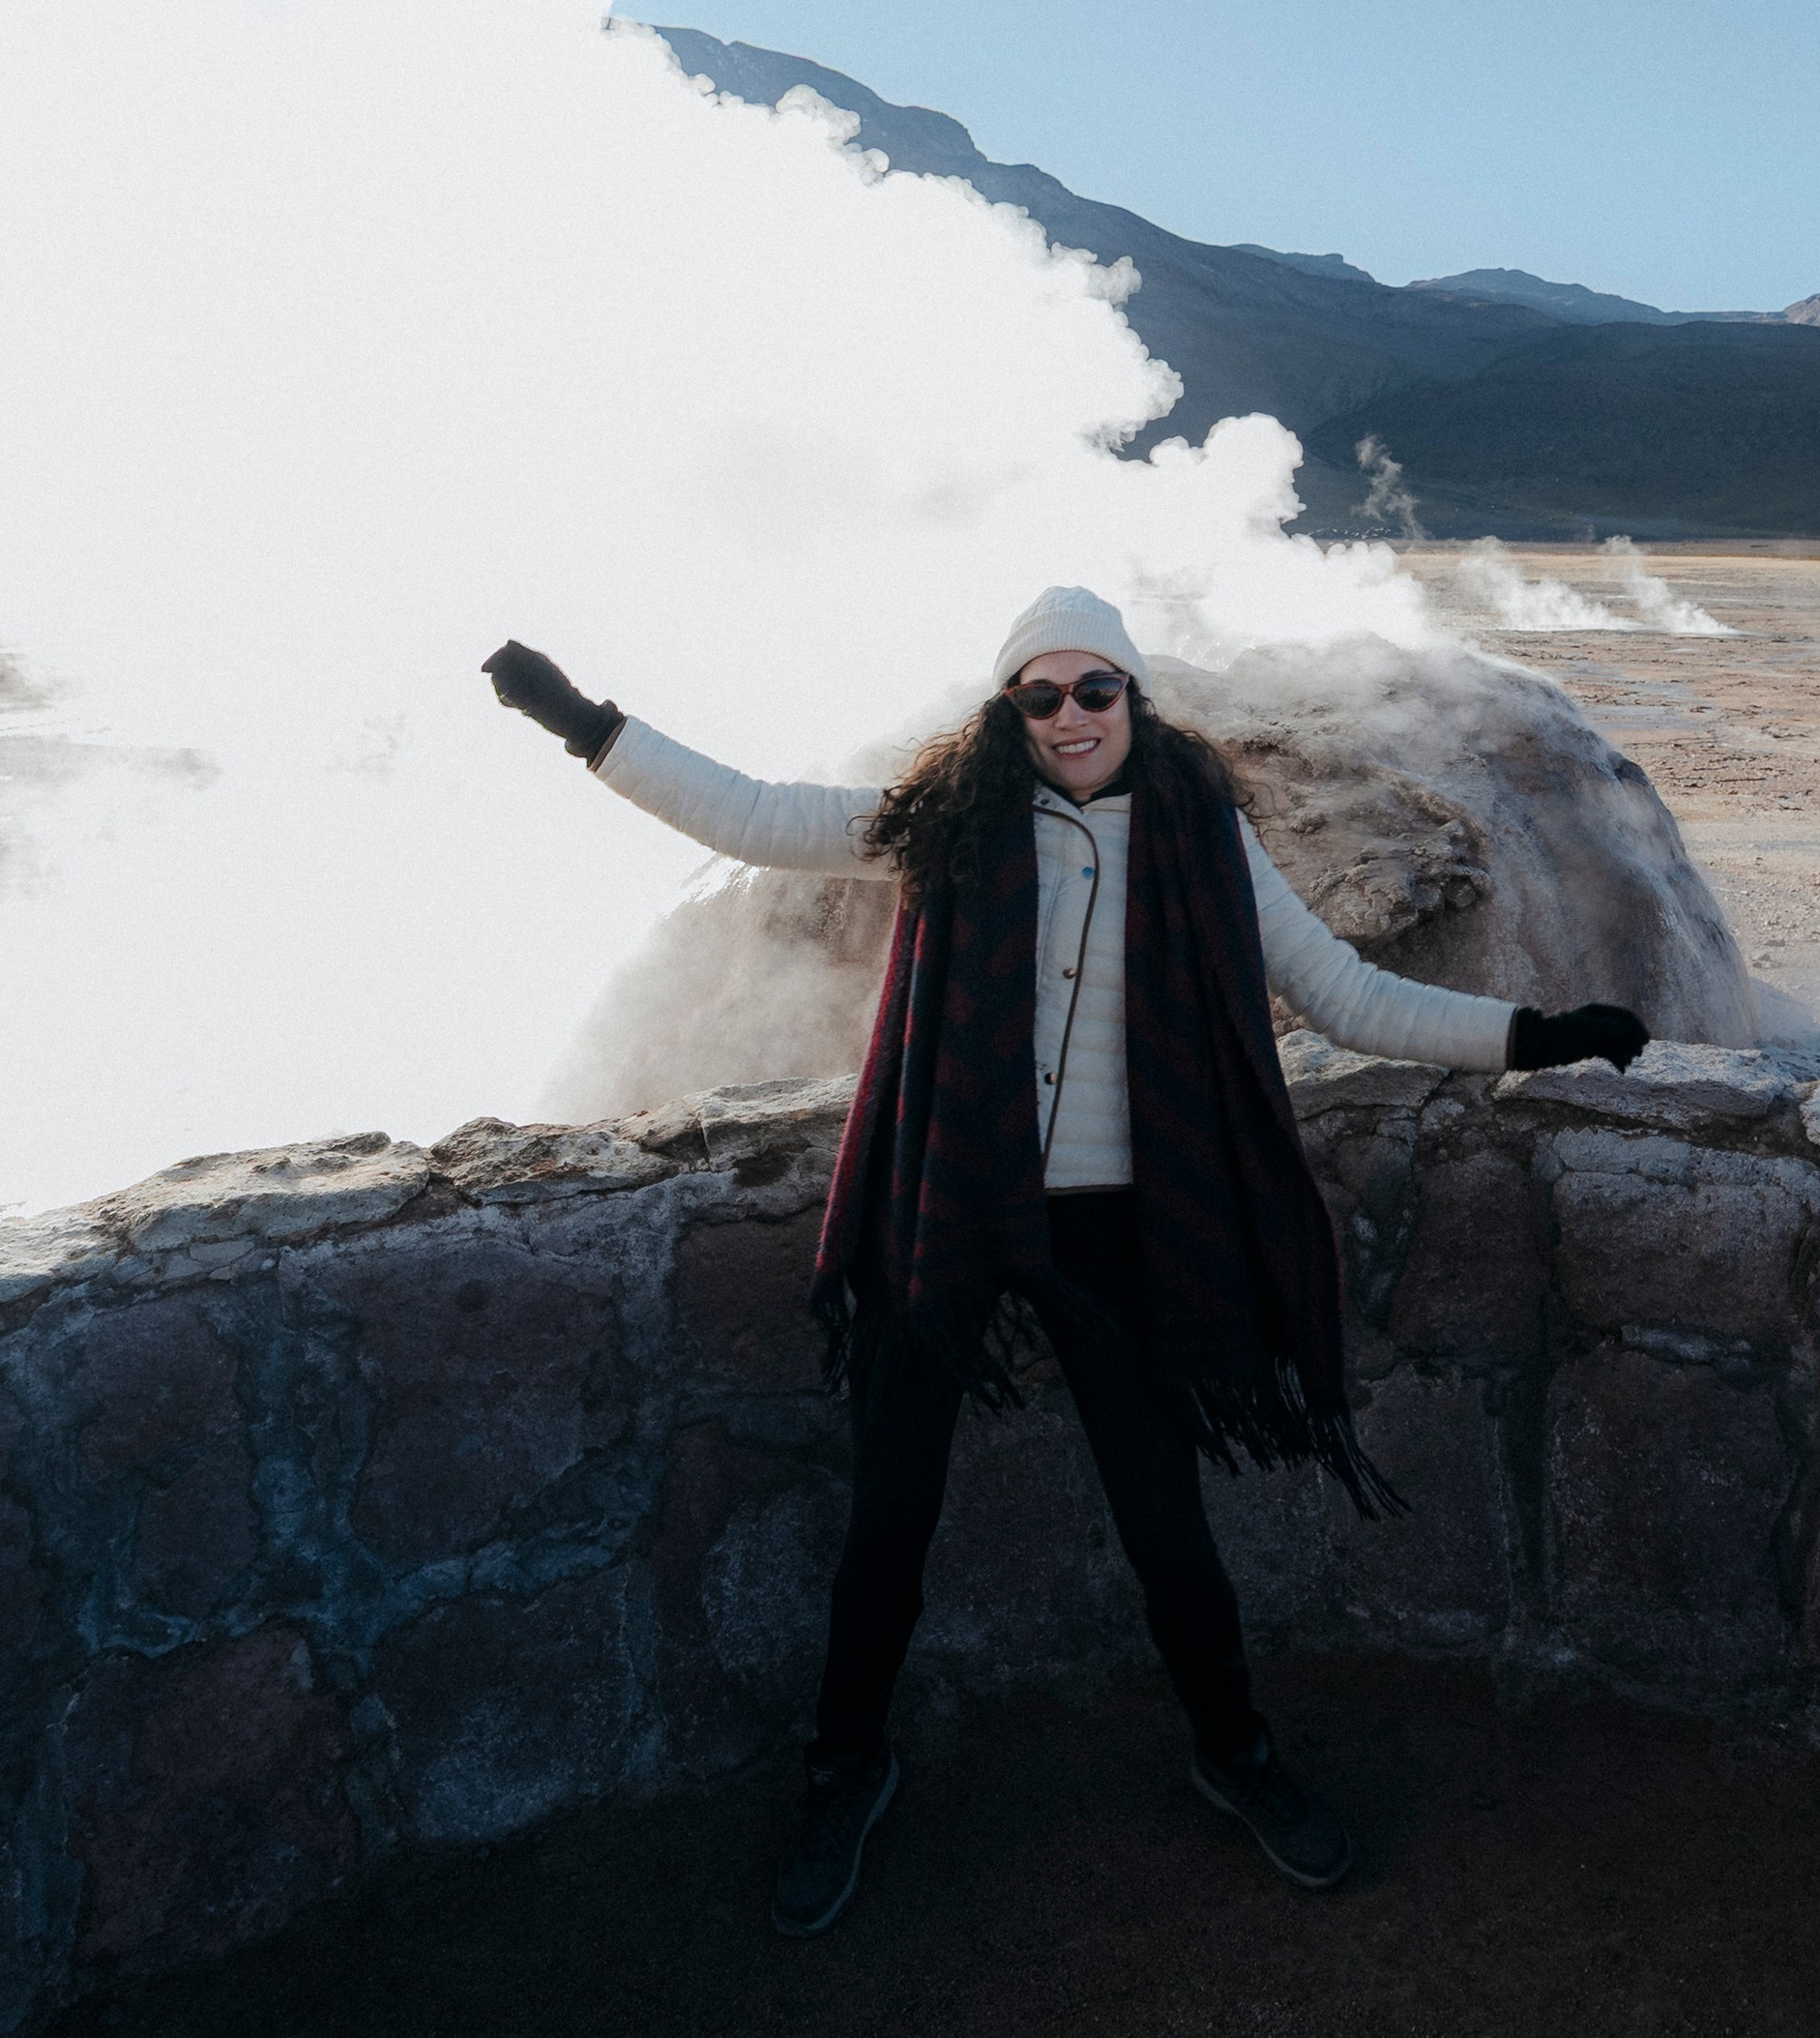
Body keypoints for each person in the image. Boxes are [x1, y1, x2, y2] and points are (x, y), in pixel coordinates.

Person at [485, 586, 1646, 1935]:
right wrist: (586, 725)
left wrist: (1537, 1037)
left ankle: (1238, 1754)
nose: (1072, 715)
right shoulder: (951, 825)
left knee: (1167, 1525)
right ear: (1008, 711)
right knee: (888, 1522)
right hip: (954, 1207)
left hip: (1115, 1236)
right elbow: (759, 813)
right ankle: (844, 1767)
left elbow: (1349, 996)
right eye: (1041, 695)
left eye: (1097, 690)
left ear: (1135, 701)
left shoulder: (1204, 843)